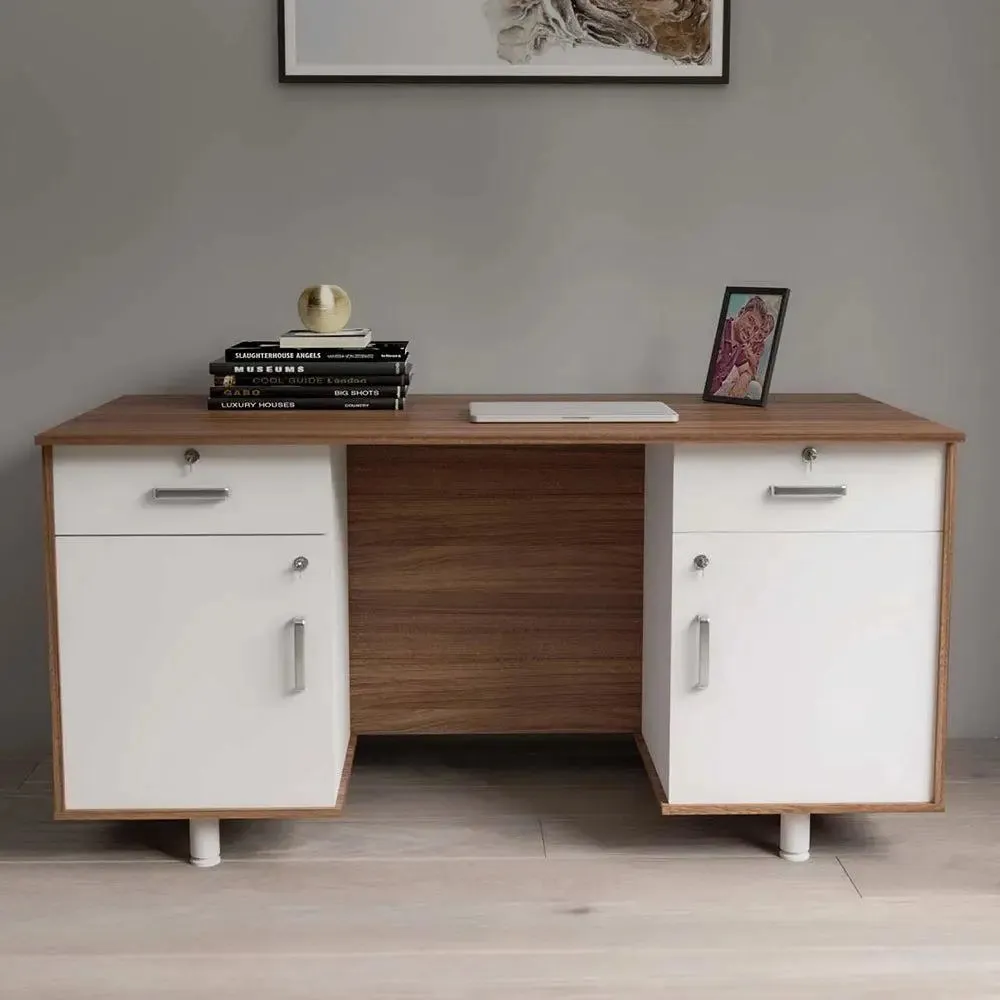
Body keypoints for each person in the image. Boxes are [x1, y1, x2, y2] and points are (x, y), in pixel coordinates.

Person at [709, 295, 776, 398]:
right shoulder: (721, 331)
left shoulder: (740, 345)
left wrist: (743, 379)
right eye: (750, 320)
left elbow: (747, 370)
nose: (751, 330)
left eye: (755, 329)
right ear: (741, 313)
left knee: (755, 388)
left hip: (714, 398)